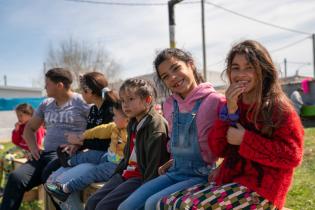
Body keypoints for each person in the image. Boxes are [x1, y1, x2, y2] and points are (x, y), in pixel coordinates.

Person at [158, 40, 304, 210]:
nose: (241, 74)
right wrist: (230, 109)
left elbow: (293, 156)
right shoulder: (236, 104)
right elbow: (219, 149)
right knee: (166, 202)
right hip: (231, 182)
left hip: (262, 192)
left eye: (249, 67)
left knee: (185, 206)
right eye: (235, 68)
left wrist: (246, 140)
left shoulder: (279, 108)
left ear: (262, 71)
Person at [118, 48, 225, 210]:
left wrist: (222, 167)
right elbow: (176, 140)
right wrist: (173, 159)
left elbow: (231, 145)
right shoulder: (169, 104)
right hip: (174, 171)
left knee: (152, 204)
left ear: (191, 65)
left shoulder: (215, 101)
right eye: (165, 76)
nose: (173, 78)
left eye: (176, 68)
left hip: (202, 174)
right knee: (126, 207)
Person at [0, 68, 90, 210]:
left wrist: (80, 143)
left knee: (50, 179)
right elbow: (29, 129)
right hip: (46, 154)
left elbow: (98, 129)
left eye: (47, 84)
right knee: (15, 178)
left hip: (69, 155)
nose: (44, 87)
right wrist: (33, 148)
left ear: (59, 85)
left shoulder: (83, 102)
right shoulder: (46, 104)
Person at [85, 78, 170, 210]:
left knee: (103, 207)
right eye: (123, 100)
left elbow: (155, 164)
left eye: (131, 99)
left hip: (140, 178)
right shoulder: (133, 122)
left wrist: (144, 190)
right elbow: (127, 155)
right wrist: (117, 173)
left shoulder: (155, 125)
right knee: (91, 203)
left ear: (147, 100)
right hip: (126, 173)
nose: (125, 105)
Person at [44, 71, 119, 210]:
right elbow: (89, 137)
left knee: (59, 183)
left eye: (82, 91)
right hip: (91, 157)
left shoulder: (111, 110)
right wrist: (76, 145)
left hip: (104, 161)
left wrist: (79, 141)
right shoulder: (93, 110)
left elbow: (106, 144)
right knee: (50, 182)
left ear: (89, 91)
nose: (80, 94)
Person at [44, 102, 128, 203]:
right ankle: (69, 161)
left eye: (115, 115)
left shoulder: (131, 134)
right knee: (90, 155)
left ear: (127, 120)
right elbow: (99, 130)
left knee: (92, 173)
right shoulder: (114, 127)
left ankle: (65, 189)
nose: (113, 118)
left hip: (116, 166)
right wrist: (83, 136)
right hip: (108, 156)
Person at [0, 103, 45, 193]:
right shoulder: (21, 125)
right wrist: (16, 130)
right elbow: (15, 142)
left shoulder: (36, 126)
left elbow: (38, 143)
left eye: (21, 115)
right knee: (2, 157)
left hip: (28, 151)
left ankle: (7, 186)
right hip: (19, 148)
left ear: (29, 114)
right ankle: (1, 185)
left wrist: (31, 152)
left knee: (7, 158)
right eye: (17, 116)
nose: (18, 118)